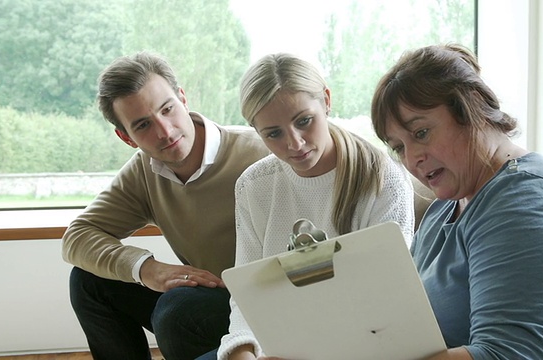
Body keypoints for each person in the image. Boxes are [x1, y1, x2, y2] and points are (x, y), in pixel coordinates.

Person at [370, 43, 543, 359]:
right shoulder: (446, 207)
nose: (413, 158)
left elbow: (508, 355)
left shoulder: (529, 203)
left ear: (471, 110)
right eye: (398, 147)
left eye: (421, 133)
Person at [198, 53, 420, 360]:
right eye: (273, 133)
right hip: (277, 345)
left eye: (304, 121)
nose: (295, 144)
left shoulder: (384, 179)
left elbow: (385, 304)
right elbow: (248, 293)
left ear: (326, 101)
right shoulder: (254, 185)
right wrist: (243, 350)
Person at [61, 51, 270, 360]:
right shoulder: (143, 171)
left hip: (263, 304)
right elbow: (77, 236)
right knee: (89, 281)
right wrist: (147, 269)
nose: (165, 131)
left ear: (182, 98)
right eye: (143, 125)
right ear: (126, 137)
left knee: (178, 310)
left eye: (167, 109)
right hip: (209, 296)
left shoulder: (260, 152)